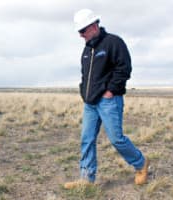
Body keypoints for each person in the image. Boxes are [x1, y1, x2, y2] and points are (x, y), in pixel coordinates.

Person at [64, 9, 149, 188]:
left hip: (109, 101)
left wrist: (110, 91)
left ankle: (141, 164)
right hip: (90, 104)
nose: (81, 35)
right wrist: (83, 93)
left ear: (94, 26)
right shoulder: (87, 51)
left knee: (117, 139)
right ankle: (86, 179)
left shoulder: (114, 43)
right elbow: (84, 75)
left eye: (83, 31)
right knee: (86, 140)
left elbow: (124, 68)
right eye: (79, 31)